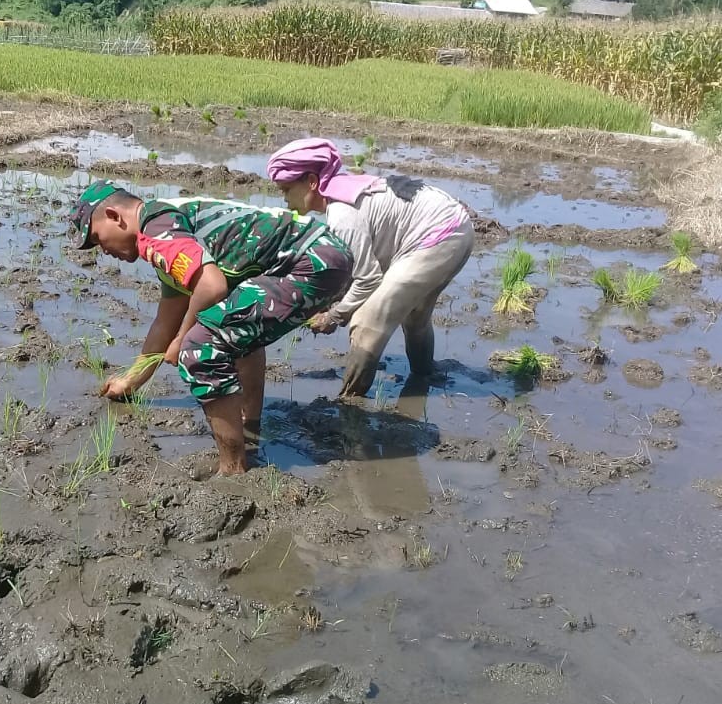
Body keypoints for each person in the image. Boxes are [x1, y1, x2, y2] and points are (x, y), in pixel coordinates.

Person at [68, 180, 353, 476]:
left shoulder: (155, 230)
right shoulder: (169, 228)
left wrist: (182, 339)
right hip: (325, 255)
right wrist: (131, 381)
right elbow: (165, 322)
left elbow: (211, 286)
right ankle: (249, 425)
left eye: (97, 238)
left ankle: (232, 469)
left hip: (310, 261)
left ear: (114, 216)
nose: (102, 249)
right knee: (237, 332)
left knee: (199, 348)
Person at [266, 137, 476, 398]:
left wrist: (334, 316)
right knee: (415, 315)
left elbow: (367, 279)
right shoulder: (346, 190)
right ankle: (423, 376)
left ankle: (350, 403)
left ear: (311, 182)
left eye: (286, 189)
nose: (284, 199)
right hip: (456, 228)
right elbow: (360, 266)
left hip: (439, 236)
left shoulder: (342, 214)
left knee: (366, 323)